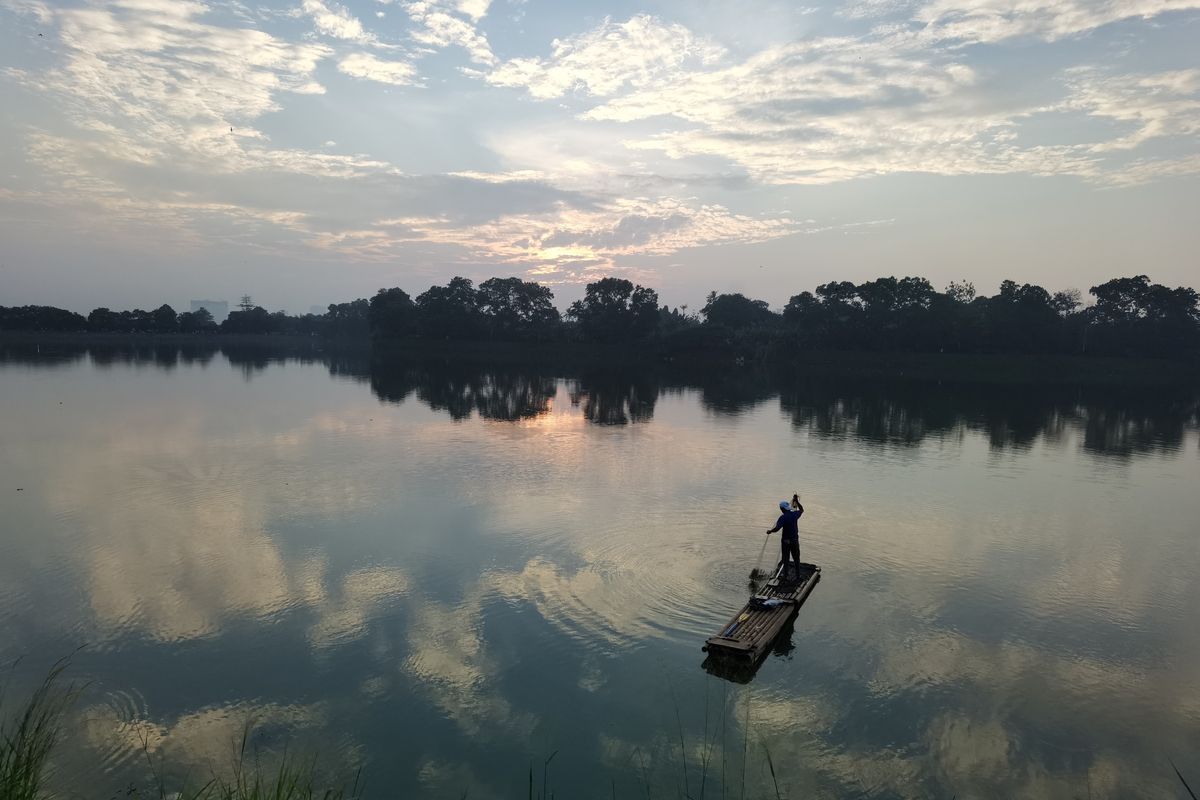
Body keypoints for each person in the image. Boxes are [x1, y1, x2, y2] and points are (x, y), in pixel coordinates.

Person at [767, 497, 804, 579]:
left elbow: (777, 528)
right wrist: (797, 501)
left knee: (786, 558)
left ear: (782, 509)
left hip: (785, 541)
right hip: (794, 540)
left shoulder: (783, 518)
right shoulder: (795, 515)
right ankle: (798, 575)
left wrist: (770, 531)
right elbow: (801, 509)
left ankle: (785, 575)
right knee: (796, 558)